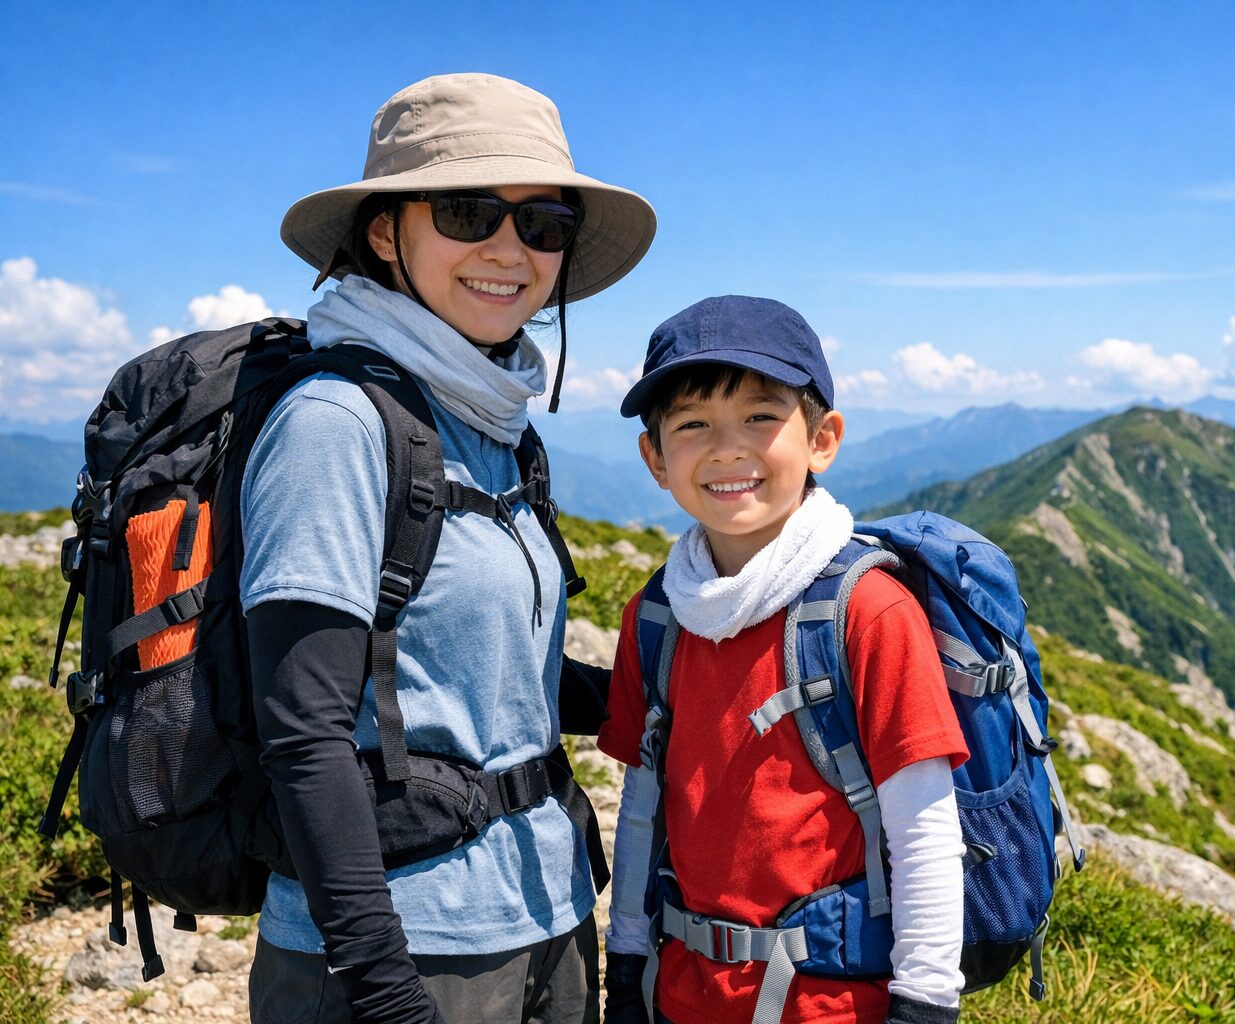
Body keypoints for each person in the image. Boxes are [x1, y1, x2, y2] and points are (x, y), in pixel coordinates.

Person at [242, 74, 655, 1024]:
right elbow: (303, 737)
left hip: (543, 912)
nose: (510, 249)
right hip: (405, 950)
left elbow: (487, 679)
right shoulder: (335, 421)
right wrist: (386, 993)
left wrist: (692, 676)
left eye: (543, 222)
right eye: (471, 211)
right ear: (386, 231)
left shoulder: (494, 423)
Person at [598, 296, 970, 1024]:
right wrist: (628, 964)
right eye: (692, 424)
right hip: (679, 995)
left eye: (761, 417)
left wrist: (925, 1005)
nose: (728, 449)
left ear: (823, 439)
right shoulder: (657, 616)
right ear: (654, 457)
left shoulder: (869, 612)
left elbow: (924, 830)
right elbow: (642, 811)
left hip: (831, 1008)